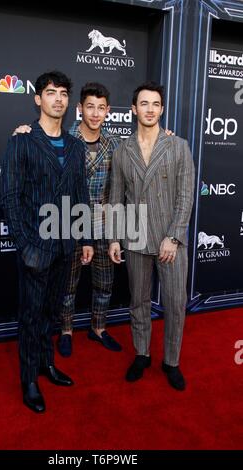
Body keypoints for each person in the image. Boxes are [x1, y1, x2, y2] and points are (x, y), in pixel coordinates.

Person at [0, 71, 94, 413]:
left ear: (69, 102)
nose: (58, 99)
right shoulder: (21, 141)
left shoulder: (74, 145)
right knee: (30, 315)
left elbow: (81, 193)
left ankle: (46, 364)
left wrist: (84, 237)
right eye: (51, 93)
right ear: (38, 99)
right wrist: (26, 246)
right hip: (34, 248)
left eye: (64, 93)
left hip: (65, 245)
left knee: (51, 312)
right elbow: (9, 198)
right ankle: (28, 379)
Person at [13, 82, 123, 357]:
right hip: (66, 224)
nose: (96, 114)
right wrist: (21, 131)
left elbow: (121, 187)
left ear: (108, 111)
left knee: (104, 283)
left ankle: (98, 328)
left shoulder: (115, 144)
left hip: (102, 224)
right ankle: (65, 330)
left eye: (101, 108)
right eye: (90, 107)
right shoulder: (65, 138)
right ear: (79, 109)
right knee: (66, 286)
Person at [109, 81, 195, 391]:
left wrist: (173, 237)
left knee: (174, 303)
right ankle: (142, 354)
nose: (149, 109)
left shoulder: (178, 146)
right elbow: (116, 197)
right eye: (143, 104)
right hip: (134, 237)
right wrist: (115, 238)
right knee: (138, 302)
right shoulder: (122, 151)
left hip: (170, 240)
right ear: (133, 109)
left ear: (161, 109)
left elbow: (185, 197)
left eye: (155, 104)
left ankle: (171, 361)